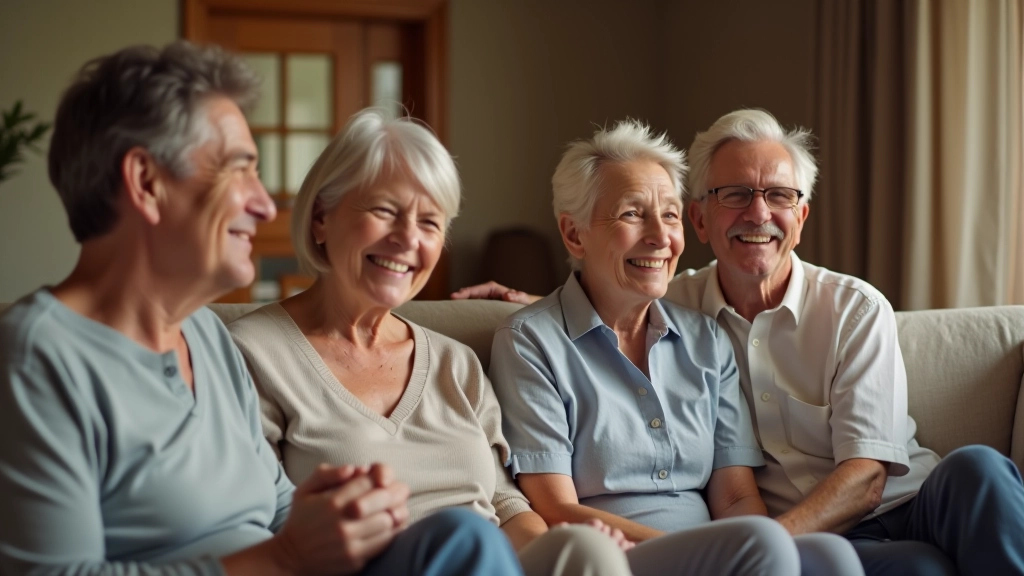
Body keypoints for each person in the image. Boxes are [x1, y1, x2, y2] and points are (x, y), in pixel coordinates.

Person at [0, 41, 521, 576]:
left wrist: (337, 512)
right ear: (147, 183)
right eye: (238, 170)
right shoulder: (39, 353)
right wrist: (288, 555)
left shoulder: (203, 335)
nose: (264, 204)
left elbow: (274, 508)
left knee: (458, 538)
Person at [457, 109, 1024, 575]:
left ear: (800, 217)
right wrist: (525, 303)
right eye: (736, 194)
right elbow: (605, 297)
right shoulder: (673, 304)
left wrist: (757, 546)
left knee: (979, 470)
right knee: (919, 572)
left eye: (779, 196)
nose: (759, 213)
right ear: (703, 220)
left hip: (901, 504)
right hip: (801, 546)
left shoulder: (846, 308)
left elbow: (868, 477)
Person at [227, 108, 633, 576]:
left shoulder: (454, 363)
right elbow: (258, 526)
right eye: (384, 210)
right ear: (321, 218)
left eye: (430, 223)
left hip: (486, 561)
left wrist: (559, 548)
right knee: (465, 535)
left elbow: (504, 505)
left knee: (586, 552)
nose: (407, 239)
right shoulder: (252, 353)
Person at [487, 119, 863, 576]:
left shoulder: (706, 339)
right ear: (574, 234)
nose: (661, 237)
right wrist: (709, 554)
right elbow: (555, 508)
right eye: (631, 213)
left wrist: (730, 548)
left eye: (669, 214)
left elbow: (736, 496)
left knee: (833, 556)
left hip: (717, 552)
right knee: (767, 545)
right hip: (616, 554)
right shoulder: (531, 342)